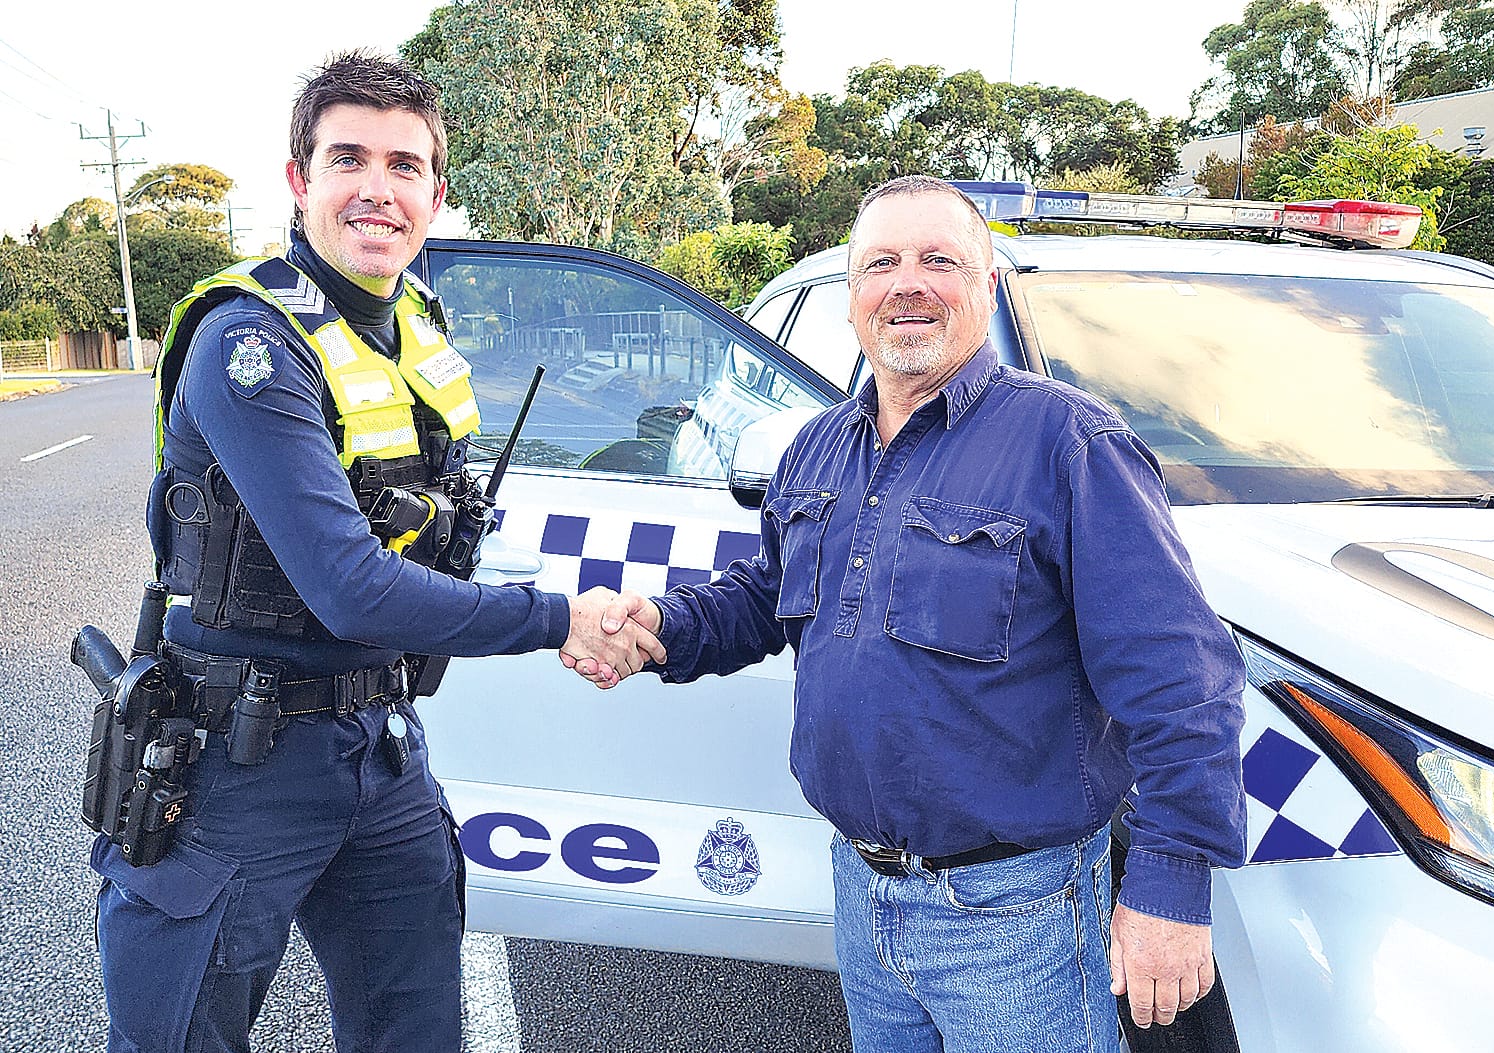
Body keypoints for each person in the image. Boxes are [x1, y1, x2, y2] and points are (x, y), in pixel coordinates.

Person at [583, 175, 1247, 1052]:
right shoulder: (819, 446)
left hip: (1020, 918)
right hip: (863, 894)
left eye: (941, 260)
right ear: (854, 297)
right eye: (882, 263)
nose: (909, 283)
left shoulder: (1070, 445)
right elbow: (767, 594)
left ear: (988, 287)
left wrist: (1169, 883)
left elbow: (1183, 682)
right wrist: (660, 628)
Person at [92, 50, 660, 1053]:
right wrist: (563, 618)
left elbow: (438, 535)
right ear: (299, 180)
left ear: (435, 194)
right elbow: (351, 587)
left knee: (415, 1033)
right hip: (233, 764)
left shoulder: (413, 334)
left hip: (380, 751)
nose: (377, 188)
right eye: (347, 157)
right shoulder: (249, 344)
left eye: (405, 166)